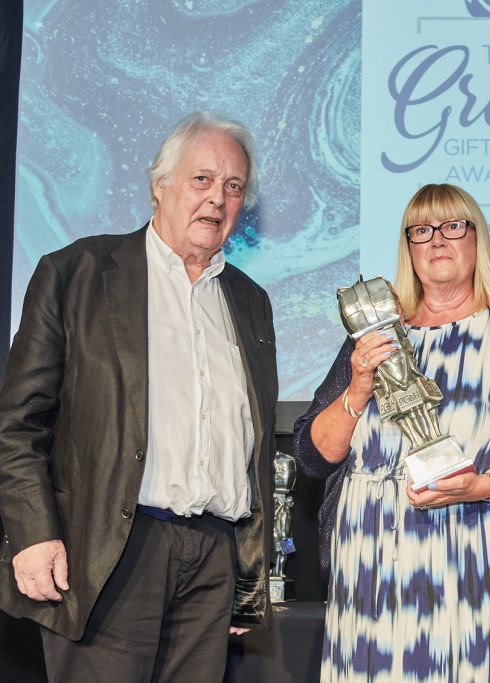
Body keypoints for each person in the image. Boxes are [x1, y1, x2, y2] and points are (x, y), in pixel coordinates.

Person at [0, 111, 279, 682]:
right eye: (201, 179)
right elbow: (18, 425)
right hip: (109, 552)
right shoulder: (75, 274)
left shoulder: (250, 301)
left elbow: (250, 445)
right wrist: (31, 535)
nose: (217, 199)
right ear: (160, 185)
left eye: (232, 187)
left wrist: (245, 576)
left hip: (211, 558)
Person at [293, 183, 490, 682]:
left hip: (484, 558)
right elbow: (313, 457)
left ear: (477, 239)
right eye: (421, 230)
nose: (438, 240)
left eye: (454, 226)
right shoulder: (373, 335)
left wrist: (479, 485)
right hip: (373, 565)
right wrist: (357, 390)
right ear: (408, 247)